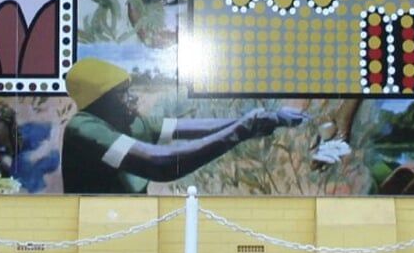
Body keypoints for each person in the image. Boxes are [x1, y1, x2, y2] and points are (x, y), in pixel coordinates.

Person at [60, 59, 307, 194]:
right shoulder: (85, 129)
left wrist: (266, 119)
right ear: (98, 101)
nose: (132, 99)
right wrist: (242, 129)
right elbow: (161, 163)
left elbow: (193, 127)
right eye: (122, 94)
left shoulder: (130, 122)